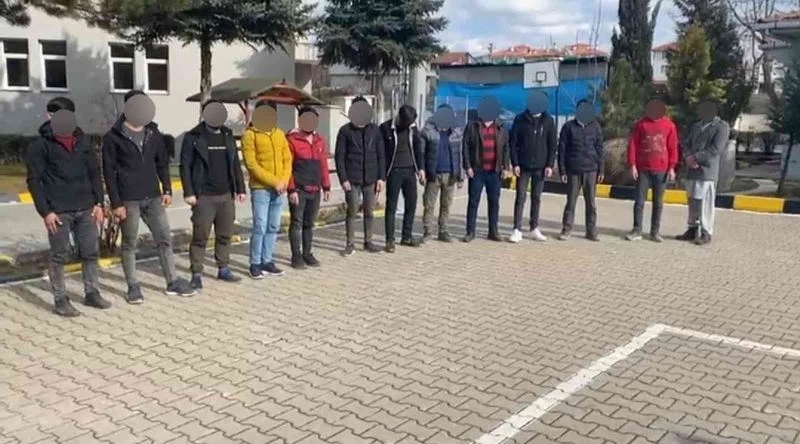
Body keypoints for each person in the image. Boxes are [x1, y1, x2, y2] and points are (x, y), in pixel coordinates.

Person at [102, 92, 194, 304]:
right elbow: (108, 172)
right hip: (128, 199)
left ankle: (172, 281)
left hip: (153, 196)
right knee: (129, 244)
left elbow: (162, 162)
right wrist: (116, 203)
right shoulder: (113, 136)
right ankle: (133, 287)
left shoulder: (153, 132)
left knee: (164, 238)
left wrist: (167, 189)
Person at [26, 97, 110, 317]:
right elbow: (34, 181)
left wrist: (99, 203)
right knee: (59, 256)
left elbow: (94, 173)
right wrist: (46, 212)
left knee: (90, 252)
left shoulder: (83, 141)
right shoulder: (40, 146)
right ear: (49, 116)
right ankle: (60, 299)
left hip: (86, 208)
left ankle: (92, 292)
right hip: (59, 211)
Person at [180, 101, 247, 290]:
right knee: (200, 236)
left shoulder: (227, 134)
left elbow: (234, 163)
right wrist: (189, 192)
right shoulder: (193, 137)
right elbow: (185, 166)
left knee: (225, 234)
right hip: (204, 196)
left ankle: (223, 268)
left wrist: (240, 188)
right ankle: (196, 273)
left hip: (226, 194)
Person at [241, 100, 292, 279]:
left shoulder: (279, 134)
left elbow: (287, 159)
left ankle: (267, 260)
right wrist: (274, 181)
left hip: (279, 189)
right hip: (261, 188)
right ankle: (255, 263)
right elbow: (251, 164)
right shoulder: (250, 135)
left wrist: (284, 180)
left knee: (273, 226)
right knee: (260, 226)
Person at [334, 96, 386, 256]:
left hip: (370, 178)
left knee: (369, 211)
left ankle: (368, 241)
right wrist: (343, 179)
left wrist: (381, 178)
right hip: (352, 178)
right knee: (352, 211)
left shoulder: (375, 130)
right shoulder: (345, 131)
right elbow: (339, 157)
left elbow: (381, 155)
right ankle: (350, 243)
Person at [677, 101, 729, 246]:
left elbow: (716, 149)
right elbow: (686, 143)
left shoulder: (721, 127)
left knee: (705, 202)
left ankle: (706, 232)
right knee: (693, 200)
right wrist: (688, 157)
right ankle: (692, 228)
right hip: (692, 169)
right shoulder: (696, 126)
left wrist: (696, 157)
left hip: (707, 171)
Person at [626, 99, 679, 242]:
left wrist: (672, 167)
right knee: (639, 201)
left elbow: (673, 147)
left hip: (661, 170)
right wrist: (632, 165)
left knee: (658, 202)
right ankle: (637, 230)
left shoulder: (669, 125)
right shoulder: (641, 124)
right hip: (643, 169)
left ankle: (655, 232)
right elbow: (633, 144)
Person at [286, 106, 332, 269]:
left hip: (315, 189)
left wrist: (326, 186)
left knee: (309, 223)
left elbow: (323, 164)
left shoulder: (320, 140)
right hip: (299, 189)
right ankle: (296, 256)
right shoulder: (292, 140)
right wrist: (291, 189)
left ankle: (307, 253)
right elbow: (287, 167)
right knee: (296, 223)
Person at [509, 92, 557, 243]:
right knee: (520, 197)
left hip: (540, 167)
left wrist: (549, 165)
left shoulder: (549, 121)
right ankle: (517, 229)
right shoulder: (520, 119)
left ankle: (534, 227)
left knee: (536, 197)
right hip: (523, 166)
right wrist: (515, 163)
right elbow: (513, 143)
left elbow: (552, 145)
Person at [462, 96, 510, 243]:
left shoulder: (501, 127)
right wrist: (468, 166)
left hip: (494, 172)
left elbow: (506, 148)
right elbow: (465, 147)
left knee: (494, 202)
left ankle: (493, 231)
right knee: (473, 202)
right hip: (477, 170)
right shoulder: (473, 126)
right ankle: (470, 231)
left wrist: (506, 167)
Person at [379, 105, 425, 252]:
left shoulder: (413, 128)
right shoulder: (385, 128)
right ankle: (390, 240)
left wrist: (421, 168)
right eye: (407, 122)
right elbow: (381, 154)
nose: (409, 125)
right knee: (391, 206)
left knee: (411, 204)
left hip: (410, 170)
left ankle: (407, 236)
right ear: (400, 117)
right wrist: (381, 176)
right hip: (394, 172)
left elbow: (418, 149)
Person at [558, 99, 604, 241]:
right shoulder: (568, 127)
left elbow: (600, 149)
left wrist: (601, 170)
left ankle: (591, 231)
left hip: (591, 170)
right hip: (573, 170)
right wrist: (562, 170)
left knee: (591, 203)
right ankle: (566, 229)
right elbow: (562, 150)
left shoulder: (595, 127)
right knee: (571, 202)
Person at [421, 105, 464, 243]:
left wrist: (460, 176)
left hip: (450, 175)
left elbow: (460, 155)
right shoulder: (428, 131)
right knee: (429, 204)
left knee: (446, 205)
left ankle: (443, 231)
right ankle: (427, 231)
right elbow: (422, 153)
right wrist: (422, 171)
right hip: (433, 174)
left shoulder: (456, 133)